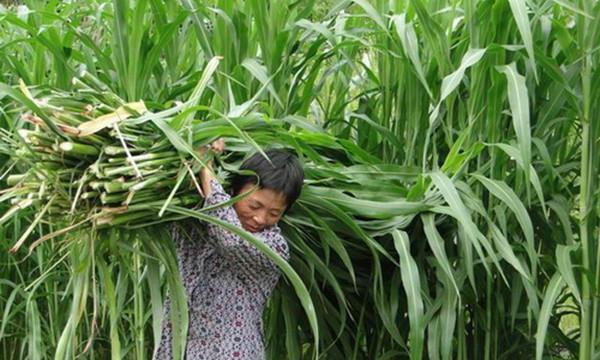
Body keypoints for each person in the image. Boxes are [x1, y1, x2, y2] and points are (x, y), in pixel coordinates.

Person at [153, 142, 304, 360]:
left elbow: (230, 238)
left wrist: (204, 163)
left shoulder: (274, 248)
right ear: (234, 189)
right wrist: (206, 147)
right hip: (176, 350)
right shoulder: (196, 217)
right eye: (254, 206)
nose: (260, 218)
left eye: (274, 213)